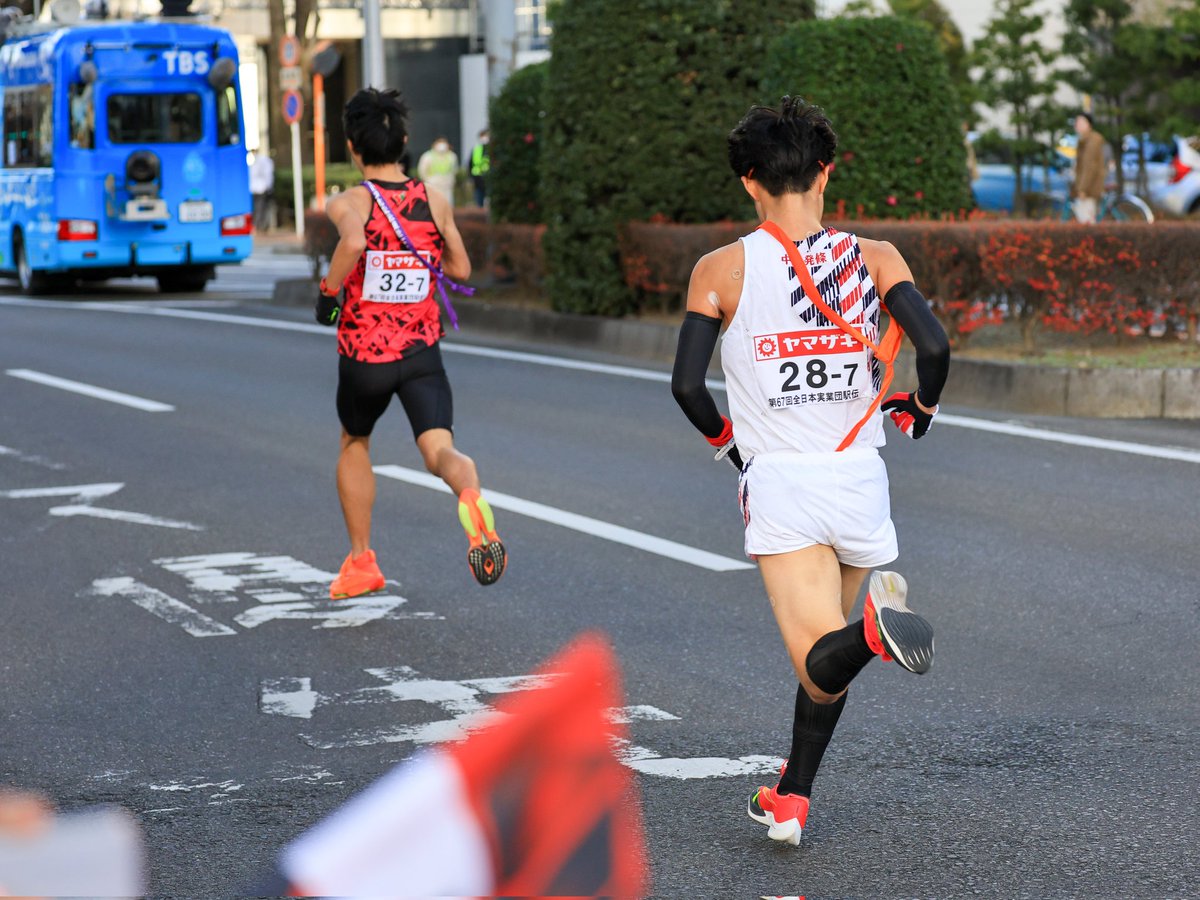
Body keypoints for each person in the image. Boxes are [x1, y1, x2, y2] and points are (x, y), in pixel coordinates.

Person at [671, 96, 950, 847]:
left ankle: (876, 633)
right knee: (826, 663)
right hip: (861, 477)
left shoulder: (720, 270)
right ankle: (792, 795)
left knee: (827, 656)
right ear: (826, 171)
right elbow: (937, 348)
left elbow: (687, 388)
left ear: (749, 182)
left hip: (784, 484)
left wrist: (729, 445)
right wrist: (920, 406)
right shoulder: (878, 258)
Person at [318, 88, 506, 596]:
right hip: (423, 352)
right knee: (440, 448)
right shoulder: (434, 200)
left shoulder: (350, 201)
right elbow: (461, 269)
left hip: (365, 355)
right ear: (403, 142)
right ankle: (469, 496)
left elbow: (353, 242)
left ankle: (361, 561)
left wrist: (328, 293)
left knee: (354, 441)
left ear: (354, 149)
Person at [1071, 112, 1106, 224]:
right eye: (1077, 122)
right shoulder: (1084, 140)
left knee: (1087, 222)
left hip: (1090, 188)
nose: (1078, 125)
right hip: (1089, 186)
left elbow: (1089, 167)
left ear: (1089, 124)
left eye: (1081, 122)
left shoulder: (1092, 141)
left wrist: (1083, 189)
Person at [417, 136, 458, 205]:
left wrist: (451, 181)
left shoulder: (452, 156)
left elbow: (454, 170)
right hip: (433, 184)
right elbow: (422, 171)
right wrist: (428, 181)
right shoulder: (428, 156)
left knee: (447, 204)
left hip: (447, 184)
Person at [249, 151, 275, 233]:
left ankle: (257, 226)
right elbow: (268, 175)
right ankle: (258, 226)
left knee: (258, 208)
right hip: (259, 188)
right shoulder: (263, 160)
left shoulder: (259, 160)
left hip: (257, 188)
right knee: (259, 208)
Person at [469, 129, 490, 208]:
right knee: (479, 201)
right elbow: (470, 164)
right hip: (477, 178)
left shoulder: (492, 149)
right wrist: (471, 177)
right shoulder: (476, 149)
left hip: (489, 178)